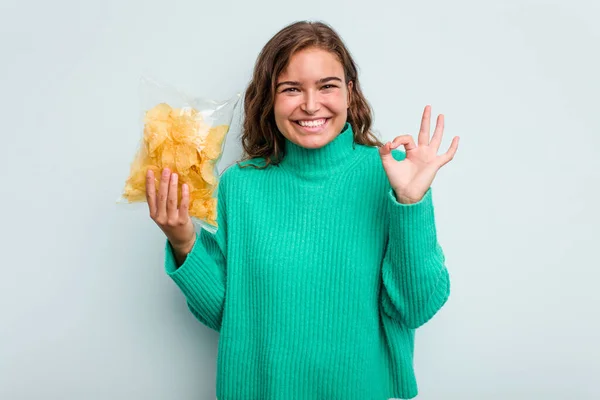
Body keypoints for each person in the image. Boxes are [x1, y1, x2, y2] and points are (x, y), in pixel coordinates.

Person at [145, 20, 459, 400]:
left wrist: (411, 203)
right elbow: (230, 316)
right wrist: (183, 240)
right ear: (270, 98)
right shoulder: (241, 185)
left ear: (349, 92)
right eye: (291, 89)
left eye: (327, 86)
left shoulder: (390, 173)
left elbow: (417, 308)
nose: (311, 104)